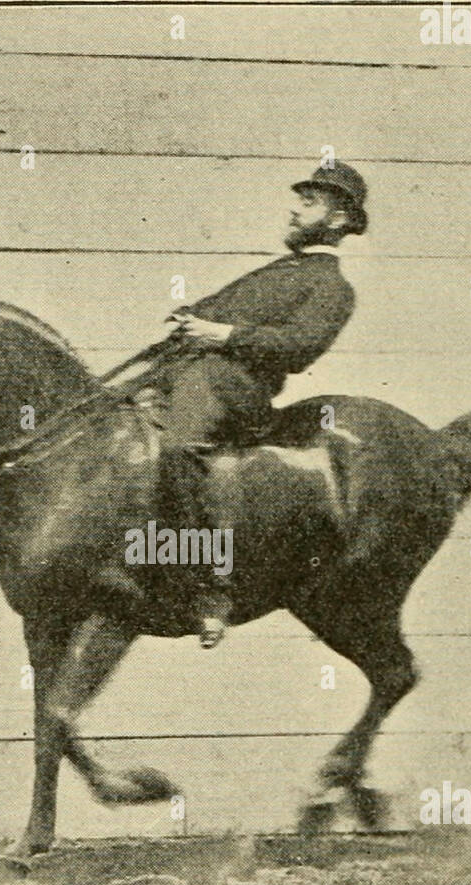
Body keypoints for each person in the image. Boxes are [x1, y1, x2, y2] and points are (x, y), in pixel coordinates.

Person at [138, 161, 367, 647]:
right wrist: (190, 315)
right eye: (298, 199)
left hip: (233, 388)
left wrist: (224, 334)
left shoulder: (333, 288)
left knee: (179, 449)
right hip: (186, 372)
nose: (293, 208)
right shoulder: (281, 269)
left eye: (309, 202)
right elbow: (219, 305)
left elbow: (300, 346)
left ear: (340, 218)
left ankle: (209, 591)